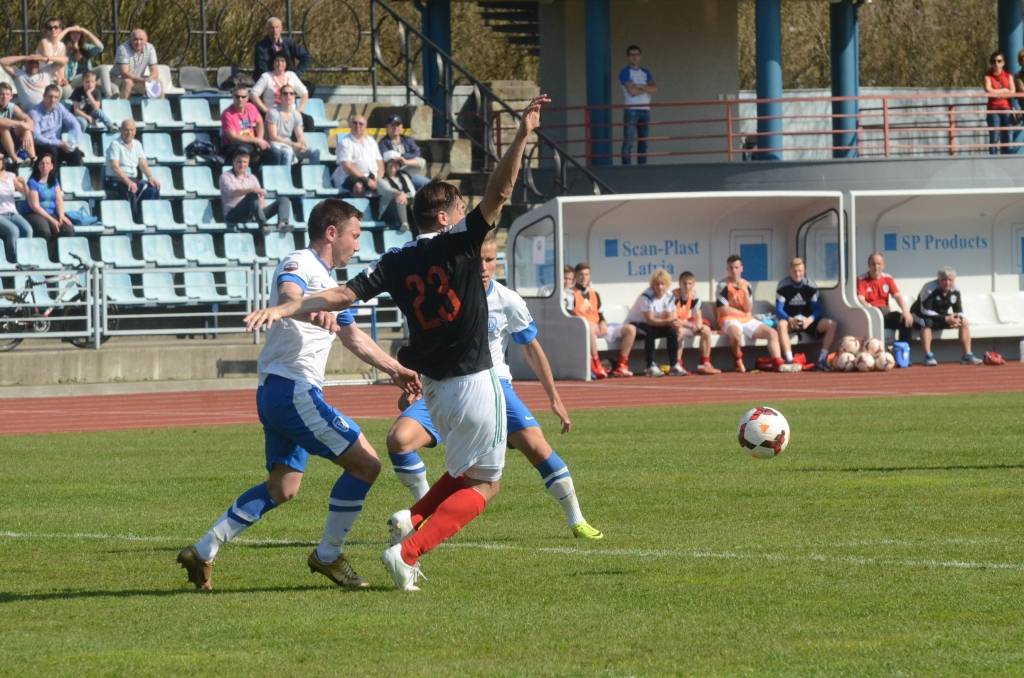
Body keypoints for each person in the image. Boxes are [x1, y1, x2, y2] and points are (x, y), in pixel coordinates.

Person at [244, 94, 551, 591]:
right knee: (488, 482)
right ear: (446, 219)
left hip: (433, 390)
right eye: (460, 209)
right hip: (475, 378)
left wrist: (284, 308)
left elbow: (342, 294)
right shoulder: (460, 242)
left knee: (466, 470)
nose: (467, 215)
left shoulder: (394, 259)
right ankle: (407, 552)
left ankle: (413, 516)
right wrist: (521, 135)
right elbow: (502, 189)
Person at [177, 198, 421, 592]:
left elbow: (352, 336)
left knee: (283, 487)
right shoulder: (300, 262)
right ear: (332, 233)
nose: (357, 245)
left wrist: (395, 370)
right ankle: (328, 555)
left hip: (279, 392)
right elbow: (289, 294)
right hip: (293, 390)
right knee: (366, 465)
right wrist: (306, 310)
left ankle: (204, 549)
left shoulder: (332, 286)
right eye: (355, 235)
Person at [385, 232, 603, 539]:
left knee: (537, 446)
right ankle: (420, 515)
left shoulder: (507, 300)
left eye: (490, 260)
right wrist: (414, 382)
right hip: (448, 385)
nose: (484, 267)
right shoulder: (445, 298)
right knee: (399, 439)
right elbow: (426, 344)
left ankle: (576, 519)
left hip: (495, 385)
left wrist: (554, 398)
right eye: (478, 260)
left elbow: (531, 348)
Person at [715, 254, 783, 373]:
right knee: (736, 334)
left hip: (746, 320)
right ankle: (738, 359)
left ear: (742, 268)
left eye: (736, 267)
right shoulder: (722, 285)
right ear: (727, 269)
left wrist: (745, 293)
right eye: (731, 268)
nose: (734, 270)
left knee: (772, 333)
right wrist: (743, 313)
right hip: (729, 319)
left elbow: (749, 308)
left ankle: (777, 362)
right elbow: (723, 309)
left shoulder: (747, 284)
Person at [570, 262, 637, 378]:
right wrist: (588, 324)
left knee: (630, 329)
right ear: (575, 276)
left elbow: (600, 314)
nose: (584, 277)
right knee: (590, 328)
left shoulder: (594, 293)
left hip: (597, 327)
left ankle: (621, 366)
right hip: (584, 328)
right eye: (581, 274)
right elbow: (569, 315)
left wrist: (603, 323)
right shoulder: (570, 294)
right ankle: (596, 365)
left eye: (586, 274)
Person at [910, 266, 983, 366]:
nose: (947, 283)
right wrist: (946, 318)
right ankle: (928, 356)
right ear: (938, 279)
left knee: (964, 321)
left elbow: (959, 311)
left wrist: (956, 319)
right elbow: (926, 311)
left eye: (950, 280)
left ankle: (967, 356)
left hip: (940, 317)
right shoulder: (929, 288)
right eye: (944, 280)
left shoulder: (956, 290)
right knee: (926, 322)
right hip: (919, 315)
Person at [775, 257, 837, 371]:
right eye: (795, 271)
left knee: (831, 324)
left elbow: (818, 309)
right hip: (791, 322)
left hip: (808, 322)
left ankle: (822, 359)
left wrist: (809, 320)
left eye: (800, 271)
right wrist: (790, 319)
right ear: (790, 271)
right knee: (781, 324)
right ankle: (790, 360)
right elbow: (779, 310)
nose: (797, 274)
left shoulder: (811, 285)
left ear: (804, 271)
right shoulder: (783, 285)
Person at [625, 268, 685, 377]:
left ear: (667, 284)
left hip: (655, 324)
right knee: (651, 330)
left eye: (662, 284)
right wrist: (668, 320)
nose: (660, 287)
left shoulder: (669, 296)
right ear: (653, 285)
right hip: (636, 324)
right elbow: (650, 320)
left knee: (672, 331)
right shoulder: (646, 297)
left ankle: (674, 365)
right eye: (657, 284)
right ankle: (650, 366)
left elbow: (670, 317)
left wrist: (672, 321)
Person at [104, 119, 160, 221]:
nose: (129, 133)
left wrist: (150, 177)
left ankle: (148, 218)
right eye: (126, 130)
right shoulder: (115, 144)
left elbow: (142, 163)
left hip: (133, 179)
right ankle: (135, 221)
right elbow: (115, 167)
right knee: (131, 189)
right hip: (116, 180)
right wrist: (128, 182)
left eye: (131, 130)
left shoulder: (137, 144)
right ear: (120, 130)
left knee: (153, 188)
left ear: (135, 131)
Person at [218, 150, 291, 229]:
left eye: (245, 162)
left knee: (283, 199)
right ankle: (264, 225)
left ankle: (282, 224)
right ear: (233, 162)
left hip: (253, 215)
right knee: (252, 195)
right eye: (239, 162)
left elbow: (260, 198)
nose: (242, 164)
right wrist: (250, 190)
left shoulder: (252, 177)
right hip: (233, 215)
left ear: (248, 163)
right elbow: (233, 192)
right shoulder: (225, 176)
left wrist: (262, 212)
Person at [856, 251, 913, 344]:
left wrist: (906, 311)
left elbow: (897, 296)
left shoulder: (888, 278)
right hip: (870, 314)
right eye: (873, 264)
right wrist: (871, 309)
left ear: (883, 265)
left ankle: (903, 348)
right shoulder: (861, 279)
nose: (876, 267)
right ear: (869, 265)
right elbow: (860, 299)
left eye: (879, 264)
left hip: (885, 313)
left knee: (906, 319)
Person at [220, 85, 283, 168]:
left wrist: (260, 139)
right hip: (233, 145)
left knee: (275, 153)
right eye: (237, 96)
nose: (240, 99)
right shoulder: (227, 114)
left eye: (243, 97)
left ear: (247, 98)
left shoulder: (251, 107)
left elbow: (259, 121)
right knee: (245, 151)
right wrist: (256, 140)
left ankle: (264, 174)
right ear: (233, 97)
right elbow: (233, 137)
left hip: (252, 143)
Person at [672, 271, 721, 375]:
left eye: (690, 284)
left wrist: (697, 326)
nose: (687, 286)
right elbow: (674, 319)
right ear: (679, 284)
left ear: (693, 284)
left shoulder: (695, 297)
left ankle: (705, 363)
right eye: (684, 283)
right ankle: (677, 364)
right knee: (679, 331)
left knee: (706, 330)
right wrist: (690, 325)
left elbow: (698, 317)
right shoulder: (673, 296)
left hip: (686, 324)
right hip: (673, 325)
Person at [18, 153, 73, 240]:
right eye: (42, 163)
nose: (45, 166)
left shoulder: (54, 181)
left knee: (68, 229)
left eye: (47, 163)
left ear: (51, 166)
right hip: (34, 214)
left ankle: (57, 248)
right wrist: (52, 220)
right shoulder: (33, 182)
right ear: (38, 166)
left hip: (51, 213)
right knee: (45, 231)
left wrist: (61, 216)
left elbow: (59, 201)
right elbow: (35, 206)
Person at [618, 44, 656, 165]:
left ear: (640, 56)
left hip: (645, 110)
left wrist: (639, 86)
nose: (635, 57)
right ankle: (626, 169)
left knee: (643, 142)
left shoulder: (645, 72)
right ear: (628, 57)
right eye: (632, 55)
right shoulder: (625, 72)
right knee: (628, 142)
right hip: (631, 110)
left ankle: (642, 168)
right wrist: (645, 88)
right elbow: (632, 92)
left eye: (637, 54)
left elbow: (654, 88)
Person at [29, 85, 84, 166]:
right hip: (42, 146)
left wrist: (76, 142)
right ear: (44, 96)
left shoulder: (59, 107)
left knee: (76, 153)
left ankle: (75, 174)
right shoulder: (34, 112)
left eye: (56, 97)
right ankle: (53, 174)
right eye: (50, 96)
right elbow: (37, 138)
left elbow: (74, 123)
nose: (53, 100)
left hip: (58, 145)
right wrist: (59, 143)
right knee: (52, 151)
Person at [332, 113, 383, 196]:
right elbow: (347, 166)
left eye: (361, 124)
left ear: (365, 126)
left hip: (373, 176)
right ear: (350, 125)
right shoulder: (345, 143)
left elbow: (380, 162)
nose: (357, 126)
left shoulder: (371, 141)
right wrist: (366, 180)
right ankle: (357, 204)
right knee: (358, 187)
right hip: (351, 176)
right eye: (355, 123)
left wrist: (379, 178)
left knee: (390, 185)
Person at [266, 86, 318, 166]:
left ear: (294, 97)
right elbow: (273, 137)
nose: (288, 96)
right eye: (285, 93)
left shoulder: (296, 115)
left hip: (289, 143)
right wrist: (293, 144)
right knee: (288, 152)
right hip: (275, 144)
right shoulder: (273, 112)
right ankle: (285, 174)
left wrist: (302, 144)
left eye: (291, 93)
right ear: (280, 96)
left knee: (314, 152)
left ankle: (314, 173)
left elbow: (300, 135)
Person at [253, 17, 312, 82]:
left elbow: (306, 57)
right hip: (269, 80)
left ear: (281, 29)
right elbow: (262, 68)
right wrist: (277, 80)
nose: (274, 30)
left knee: (311, 86)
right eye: (272, 28)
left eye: (277, 27)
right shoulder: (261, 47)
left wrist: (296, 74)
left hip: (289, 80)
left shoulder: (289, 43)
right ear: (267, 30)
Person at [378, 115, 430, 189]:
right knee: (425, 183)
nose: (395, 127)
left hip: (409, 169)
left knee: (422, 162)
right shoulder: (383, 143)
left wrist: (403, 158)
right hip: (396, 172)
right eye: (392, 125)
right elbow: (389, 158)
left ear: (401, 126)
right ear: (387, 127)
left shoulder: (407, 139)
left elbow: (417, 152)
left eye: (397, 125)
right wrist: (402, 158)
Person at [252, 54, 309, 119]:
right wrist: (266, 111)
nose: (279, 63)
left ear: (287, 63)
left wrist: (300, 109)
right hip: (273, 115)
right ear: (273, 63)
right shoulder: (266, 76)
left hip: (291, 114)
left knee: (308, 120)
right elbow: (253, 94)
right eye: (277, 61)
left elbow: (305, 93)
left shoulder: (292, 75)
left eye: (282, 61)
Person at [0, 152, 32, 259]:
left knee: (28, 230)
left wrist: (24, 184)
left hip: (12, 213)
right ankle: (13, 259)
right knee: (14, 231)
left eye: (0, 159)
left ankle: (26, 258)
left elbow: (26, 194)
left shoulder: (11, 176)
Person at [114, 29, 161, 99]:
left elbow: (155, 71)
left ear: (146, 40)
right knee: (128, 82)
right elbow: (124, 73)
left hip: (137, 79)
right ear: (130, 40)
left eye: (141, 39)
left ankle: (160, 105)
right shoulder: (123, 49)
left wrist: (150, 80)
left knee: (158, 82)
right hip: (117, 79)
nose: (138, 42)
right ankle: (121, 105)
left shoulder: (150, 48)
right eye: (135, 39)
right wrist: (142, 80)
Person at [983, 50, 1014, 155]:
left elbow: (1013, 92)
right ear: (991, 63)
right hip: (993, 110)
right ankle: (993, 159)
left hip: (1006, 109)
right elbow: (988, 90)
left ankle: (1008, 158)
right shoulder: (987, 76)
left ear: (1003, 63)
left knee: (1008, 135)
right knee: (994, 136)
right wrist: (1004, 90)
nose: (996, 63)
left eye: (999, 61)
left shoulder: (1008, 76)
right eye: (994, 61)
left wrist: (996, 92)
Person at [0, 82, 37, 164]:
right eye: (1, 94)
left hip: (8, 141)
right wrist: (19, 123)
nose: (4, 97)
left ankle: (33, 159)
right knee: (3, 128)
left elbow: (28, 119)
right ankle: (15, 160)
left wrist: (26, 131)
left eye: (7, 94)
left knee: (25, 128)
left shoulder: (12, 106)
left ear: (11, 96)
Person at [378, 150, 415, 231]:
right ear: (386, 165)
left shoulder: (404, 176)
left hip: (407, 205)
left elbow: (412, 193)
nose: (393, 165)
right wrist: (400, 194)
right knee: (399, 198)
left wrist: (405, 196)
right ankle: (404, 224)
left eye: (396, 162)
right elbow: (388, 191)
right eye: (391, 163)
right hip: (388, 210)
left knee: (415, 201)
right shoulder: (381, 180)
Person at [34, 17, 71, 90]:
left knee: (67, 89)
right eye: (50, 28)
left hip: (54, 77)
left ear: (60, 30)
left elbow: (61, 65)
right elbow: (49, 61)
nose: (53, 30)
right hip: (42, 75)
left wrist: (62, 78)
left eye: (56, 27)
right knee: (58, 90)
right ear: (46, 31)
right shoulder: (44, 42)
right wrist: (57, 76)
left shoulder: (62, 45)